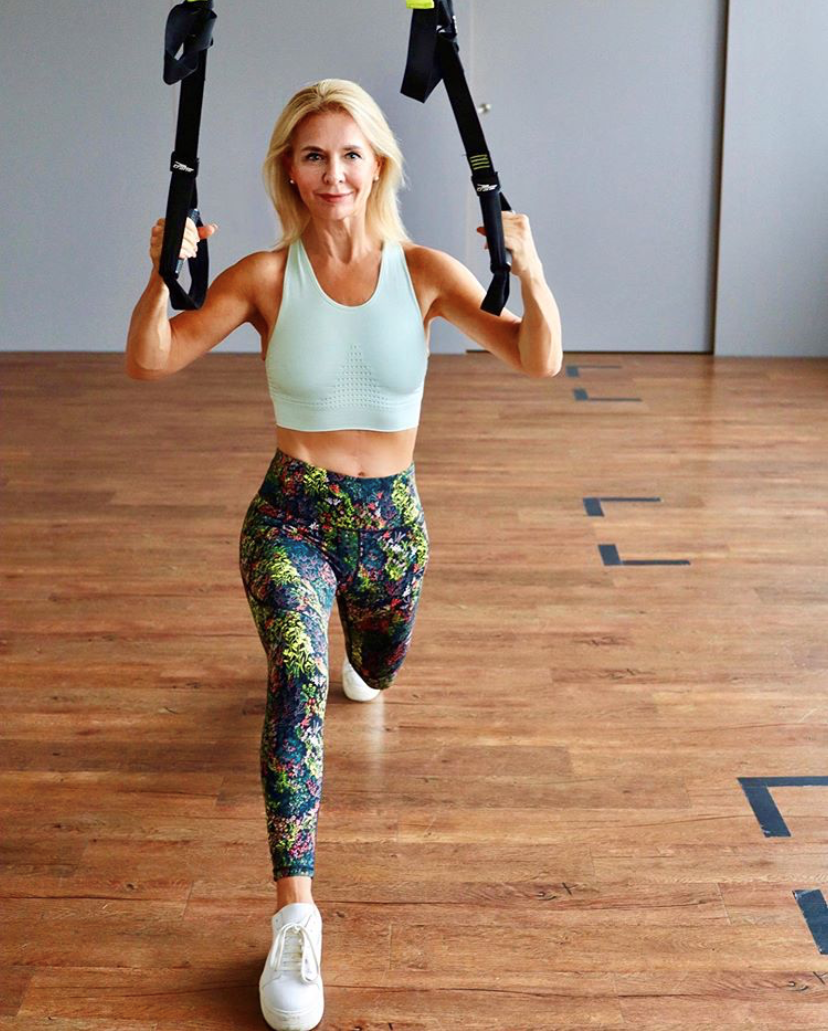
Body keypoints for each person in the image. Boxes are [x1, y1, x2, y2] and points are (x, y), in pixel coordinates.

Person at [128, 77, 560, 1031]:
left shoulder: (424, 271)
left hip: (392, 532)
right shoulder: (264, 277)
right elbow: (152, 358)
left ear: (379, 166)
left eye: (351, 153)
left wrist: (531, 274)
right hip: (290, 516)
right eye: (314, 155)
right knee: (296, 671)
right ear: (290, 169)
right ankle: (295, 918)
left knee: (372, 667)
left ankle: (362, 660)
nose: (334, 173)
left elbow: (537, 358)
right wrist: (162, 276)